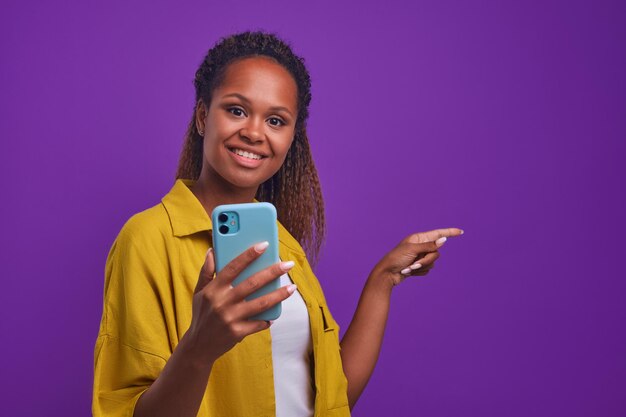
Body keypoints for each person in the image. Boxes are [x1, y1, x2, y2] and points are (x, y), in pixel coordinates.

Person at [92, 31, 462, 417]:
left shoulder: (284, 247)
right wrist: (200, 347)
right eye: (236, 110)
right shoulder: (148, 239)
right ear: (203, 115)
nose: (254, 132)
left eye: (275, 120)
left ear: (290, 138)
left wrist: (383, 279)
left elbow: (332, 398)